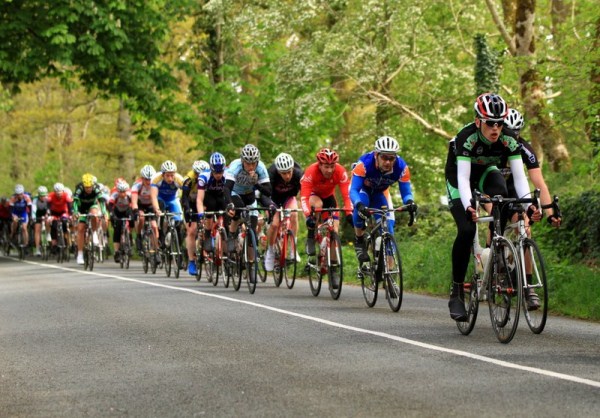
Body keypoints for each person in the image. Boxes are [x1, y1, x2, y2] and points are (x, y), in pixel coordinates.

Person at [444, 93, 539, 321]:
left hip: (487, 172)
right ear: (478, 121)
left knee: (503, 198)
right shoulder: (466, 138)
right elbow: (465, 180)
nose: (495, 128)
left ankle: (495, 255)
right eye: (490, 123)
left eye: (500, 122)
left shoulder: (508, 138)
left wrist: (528, 206)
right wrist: (469, 207)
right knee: (467, 230)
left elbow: (519, 178)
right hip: (459, 180)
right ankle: (457, 291)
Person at [350, 136, 416, 264]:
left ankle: (389, 276)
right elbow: (354, 190)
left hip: (380, 193)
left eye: (391, 158)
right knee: (360, 209)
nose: (387, 162)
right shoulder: (364, 164)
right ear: (376, 155)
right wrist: (359, 205)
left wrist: (410, 202)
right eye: (384, 157)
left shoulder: (401, 167)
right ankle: (359, 240)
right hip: (363, 190)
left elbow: (406, 192)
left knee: (388, 229)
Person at [300, 147, 352, 288]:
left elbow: (347, 196)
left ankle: (333, 269)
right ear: (320, 165)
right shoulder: (311, 171)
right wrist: (308, 216)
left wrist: (349, 213)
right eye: (326, 166)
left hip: (330, 198)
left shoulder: (340, 172)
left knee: (334, 231)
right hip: (313, 197)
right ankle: (311, 234)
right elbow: (304, 197)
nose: (329, 170)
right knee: (318, 204)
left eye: (332, 166)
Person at [224, 144, 274, 284]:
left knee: (252, 229)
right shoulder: (235, 167)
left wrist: (256, 182)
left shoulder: (261, 168)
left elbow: (268, 192)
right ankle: (232, 235)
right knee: (238, 211)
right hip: (235, 193)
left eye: (253, 163)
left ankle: (251, 265)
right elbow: (226, 188)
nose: (250, 166)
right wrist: (229, 204)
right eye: (247, 163)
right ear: (242, 161)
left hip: (250, 195)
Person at [263, 153, 303, 271]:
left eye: (289, 172)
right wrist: (269, 206)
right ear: (278, 172)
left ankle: (293, 249)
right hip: (272, 199)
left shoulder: (298, 173)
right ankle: (270, 252)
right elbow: (264, 194)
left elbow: (305, 190)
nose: (287, 176)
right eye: (284, 173)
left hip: (288, 198)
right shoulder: (271, 173)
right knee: (275, 224)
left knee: (294, 214)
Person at [195, 152, 228, 274]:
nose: (219, 175)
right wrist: (200, 214)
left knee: (226, 211)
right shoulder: (204, 177)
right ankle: (208, 235)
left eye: (220, 172)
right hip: (209, 196)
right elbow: (199, 199)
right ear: (211, 170)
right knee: (211, 207)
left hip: (222, 196)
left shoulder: (228, 174)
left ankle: (227, 244)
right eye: (216, 172)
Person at [181, 160, 210, 276]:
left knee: (208, 224)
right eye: (197, 174)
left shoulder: (209, 178)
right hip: (191, 203)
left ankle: (207, 246)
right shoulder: (188, 180)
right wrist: (187, 210)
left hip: (204, 201)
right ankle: (192, 261)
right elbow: (184, 198)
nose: (200, 177)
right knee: (192, 231)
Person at [151, 160, 185, 253]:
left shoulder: (179, 179)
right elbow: (153, 197)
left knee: (179, 222)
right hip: (160, 199)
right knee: (160, 215)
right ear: (163, 175)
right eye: (167, 175)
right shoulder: (156, 179)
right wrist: (157, 210)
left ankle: (179, 248)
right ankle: (161, 237)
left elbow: (186, 194)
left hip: (172, 199)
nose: (170, 178)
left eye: (172, 175)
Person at [72, 173, 105, 265]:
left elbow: (102, 201)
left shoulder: (96, 187)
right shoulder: (79, 188)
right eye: (86, 187)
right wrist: (75, 212)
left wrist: (103, 212)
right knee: (81, 228)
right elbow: (75, 201)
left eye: (90, 187)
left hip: (92, 206)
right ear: (83, 185)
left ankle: (94, 233)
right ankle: (80, 254)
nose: (88, 189)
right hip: (81, 207)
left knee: (94, 214)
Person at [131, 165, 159, 254]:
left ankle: (156, 249)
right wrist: (135, 211)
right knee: (141, 218)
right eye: (146, 179)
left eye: (150, 179)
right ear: (142, 178)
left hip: (151, 205)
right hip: (140, 205)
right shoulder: (137, 185)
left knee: (154, 226)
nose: (149, 181)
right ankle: (139, 236)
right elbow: (134, 201)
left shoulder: (156, 184)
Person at [108, 180, 133, 262]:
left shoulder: (129, 195)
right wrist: (112, 214)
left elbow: (134, 204)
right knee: (117, 230)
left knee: (132, 220)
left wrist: (133, 214)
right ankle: (116, 252)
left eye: (124, 192)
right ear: (117, 191)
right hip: (117, 212)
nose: (122, 194)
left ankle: (130, 239)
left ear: (126, 191)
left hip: (126, 211)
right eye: (120, 192)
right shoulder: (114, 195)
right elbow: (110, 206)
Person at [46, 182, 73, 253]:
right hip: (54, 212)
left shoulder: (66, 195)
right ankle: (54, 242)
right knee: (53, 225)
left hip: (63, 212)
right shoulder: (50, 195)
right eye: (57, 193)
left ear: (63, 191)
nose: (58, 194)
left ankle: (65, 238)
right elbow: (48, 206)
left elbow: (70, 206)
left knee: (64, 223)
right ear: (54, 192)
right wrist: (48, 214)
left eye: (60, 193)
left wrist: (70, 214)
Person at [9, 184, 33, 250]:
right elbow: (10, 210)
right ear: (16, 194)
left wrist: (30, 217)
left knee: (24, 228)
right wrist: (13, 216)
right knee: (15, 222)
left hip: (23, 213)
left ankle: (26, 244)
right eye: (17, 194)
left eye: (21, 194)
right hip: (15, 212)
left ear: (23, 193)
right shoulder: (13, 198)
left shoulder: (27, 197)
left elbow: (30, 208)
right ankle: (13, 234)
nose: (19, 196)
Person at [32, 186, 50, 256]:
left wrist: (48, 214)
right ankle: (37, 249)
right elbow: (33, 209)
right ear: (39, 195)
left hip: (45, 213)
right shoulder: (35, 200)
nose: (43, 197)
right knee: (37, 230)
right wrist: (33, 217)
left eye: (44, 195)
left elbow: (50, 208)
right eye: (41, 195)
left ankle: (48, 233)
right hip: (38, 214)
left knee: (48, 221)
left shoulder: (48, 199)